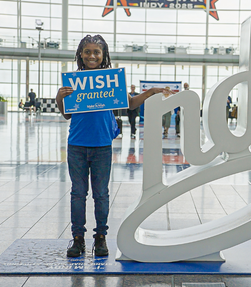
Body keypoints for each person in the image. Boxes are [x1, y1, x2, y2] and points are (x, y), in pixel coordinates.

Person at [55, 34, 172, 258]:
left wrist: (150, 92)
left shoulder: (110, 80)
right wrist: (59, 98)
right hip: (77, 145)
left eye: (96, 52)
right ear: (80, 54)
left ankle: (100, 237)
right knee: (78, 193)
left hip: (102, 146)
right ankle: (77, 238)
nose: (92, 56)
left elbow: (130, 103)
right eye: (87, 51)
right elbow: (67, 114)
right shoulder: (73, 81)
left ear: (103, 55)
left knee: (101, 194)